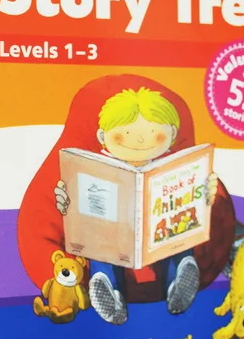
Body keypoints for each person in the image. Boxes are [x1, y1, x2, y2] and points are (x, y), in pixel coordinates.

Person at [55, 87, 218, 325]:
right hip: (111, 232)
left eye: (153, 133)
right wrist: (66, 200)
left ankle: (180, 279)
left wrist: (206, 192)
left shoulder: (174, 167)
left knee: (178, 237)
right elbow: (76, 203)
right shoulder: (94, 167)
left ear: (172, 134)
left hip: (158, 230)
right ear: (102, 136)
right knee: (100, 248)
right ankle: (107, 289)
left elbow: (198, 198)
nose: (141, 140)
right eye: (126, 133)